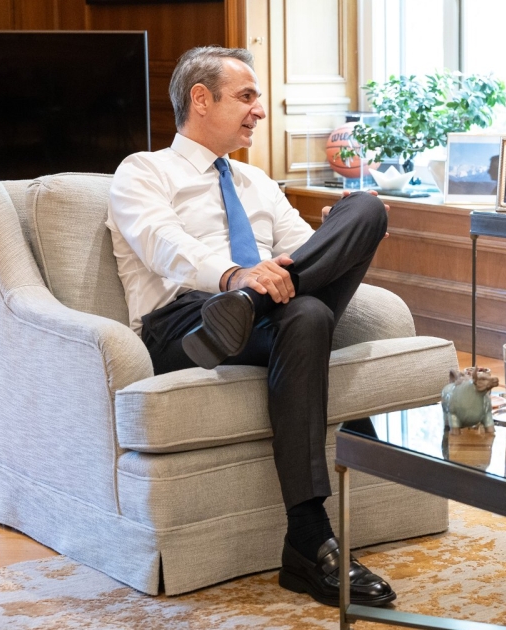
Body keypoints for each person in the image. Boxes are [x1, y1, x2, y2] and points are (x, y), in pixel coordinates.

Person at [106, 46, 395, 608]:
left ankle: (307, 541)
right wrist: (234, 276)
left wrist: (323, 246)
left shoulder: (257, 181)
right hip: (185, 325)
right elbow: (164, 245)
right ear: (200, 99)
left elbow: (305, 258)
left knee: (364, 211)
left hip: (263, 315)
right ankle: (311, 541)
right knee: (306, 313)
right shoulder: (144, 170)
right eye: (246, 96)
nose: (260, 109)